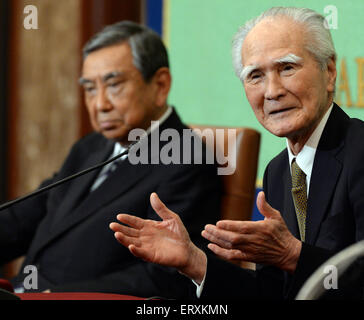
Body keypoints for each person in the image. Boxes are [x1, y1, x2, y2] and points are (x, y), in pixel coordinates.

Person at [110, 7, 364, 299]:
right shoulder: (278, 170)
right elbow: (272, 293)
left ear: (329, 72)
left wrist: (293, 255)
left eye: (287, 68)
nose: (272, 91)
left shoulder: (358, 152)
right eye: (255, 76)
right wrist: (194, 262)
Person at [0, 21, 221, 298]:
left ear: (160, 85)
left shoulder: (186, 159)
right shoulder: (91, 146)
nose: (100, 104)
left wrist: (51, 295)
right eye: (90, 88)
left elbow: (164, 277)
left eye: (113, 85)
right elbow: (26, 216)